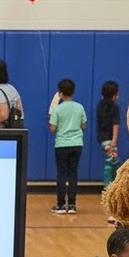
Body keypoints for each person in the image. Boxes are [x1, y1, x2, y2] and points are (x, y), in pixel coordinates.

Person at [49, 78, 87, 215]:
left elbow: (52, 128)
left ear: (60, 93)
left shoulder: (57, 109)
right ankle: (72, 205)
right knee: (73, 174)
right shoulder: (79, 107)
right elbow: (84, 125)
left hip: (62, 144)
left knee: (61, 173)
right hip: (77, 144)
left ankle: (60, 205)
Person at [96, 80, 121, 188]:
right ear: (113, 95)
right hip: (109, 140)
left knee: (110, 162)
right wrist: (114, 141)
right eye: (116, 94)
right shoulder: (114, 107)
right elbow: (116, 124)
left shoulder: (100, 105)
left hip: (102, 139)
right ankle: (109, 188)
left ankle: (109, 187)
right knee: (113, 162)